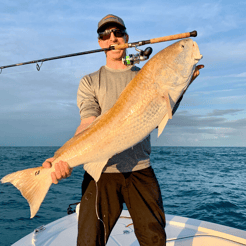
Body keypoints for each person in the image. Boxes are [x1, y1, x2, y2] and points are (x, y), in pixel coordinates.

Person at [43, 14, 204, 246]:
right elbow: (88, 122)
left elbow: (161, 114)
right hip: (101, 173)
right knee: (89, 242)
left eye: (118, 33)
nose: (113, 37)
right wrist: (61, 157)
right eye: (105, 34)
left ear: (126, 37)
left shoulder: (144, 75)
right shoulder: (90, 81)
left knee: (155, 240)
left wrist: (184, 84)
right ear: (100, 42)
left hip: (140, 168)